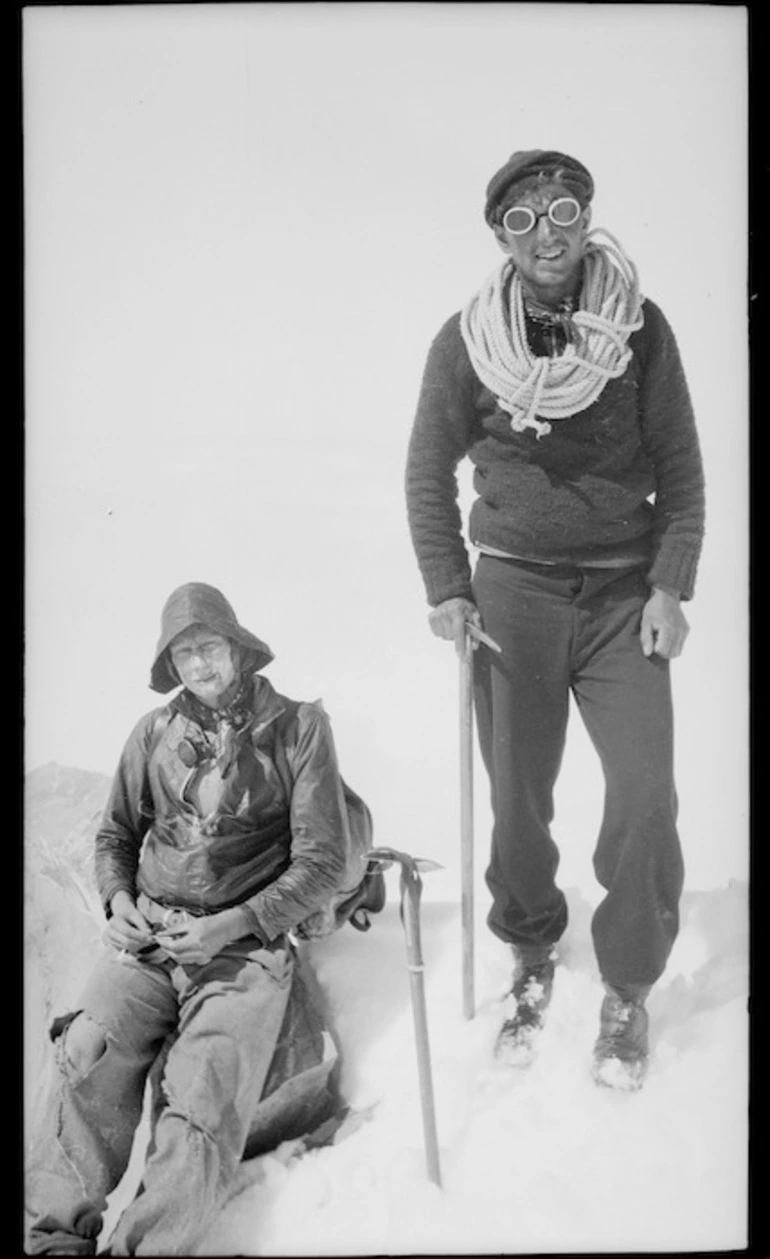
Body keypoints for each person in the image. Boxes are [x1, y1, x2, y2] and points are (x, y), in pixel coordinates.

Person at [405, 149, 705, 1091]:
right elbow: (425, 474)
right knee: (518, 800)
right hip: (515, 597)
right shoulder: (467, 341)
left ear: (588, 218)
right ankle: (532, 951)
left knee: (647, 793)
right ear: (501, 234)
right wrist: (450, 586)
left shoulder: (641, 329)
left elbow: (684, 472)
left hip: (623, 596)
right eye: (525, 220)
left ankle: (627, 983)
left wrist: (670, 587)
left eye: (565, 209)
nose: (549, 233)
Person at [26, 581, 370, 1255]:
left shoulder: (299, 728)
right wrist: (119, 903)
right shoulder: (153, 731)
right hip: (150, 938)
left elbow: (323, 862)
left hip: (243, 953)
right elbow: (114, 837)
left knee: (203, 1096)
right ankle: (52, 1241)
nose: (198, 665)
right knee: (86, 1051)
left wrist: (230, 924)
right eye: (183, 654)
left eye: (208, 646)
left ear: (239, 649)